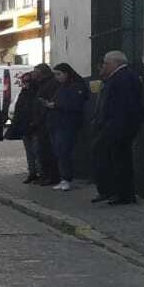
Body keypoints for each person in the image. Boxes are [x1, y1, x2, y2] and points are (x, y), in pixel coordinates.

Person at [93, 50, 144, 205]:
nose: (103, 66)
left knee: (117, 159)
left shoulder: (123, 78)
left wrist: (114, 126)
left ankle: (119, 193)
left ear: (112, 63)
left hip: (119, 127)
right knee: (114, 158)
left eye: (105, 63)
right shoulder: (118, 78)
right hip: (116, 125)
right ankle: (115, 192)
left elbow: (123, 106)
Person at [44, 63, 89, 192]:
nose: (57, 77)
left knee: (64, 151)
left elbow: (75, 105)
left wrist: (56, 105)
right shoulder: (61, 87)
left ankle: (67, 178)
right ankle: (63, 178)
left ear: (66, 73)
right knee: (59, 152)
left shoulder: (76, 86)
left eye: (59, 74)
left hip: (67, 124)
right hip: (56, 123)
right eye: (55, 74)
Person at [8, 72, 42, 183]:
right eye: (23, 81)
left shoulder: (37, 93)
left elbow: (38, 110)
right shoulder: (23, 93)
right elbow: (18, 109)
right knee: (29, 152)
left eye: (27, 81)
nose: (25, 84)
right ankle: (32, 172)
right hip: (25, 126)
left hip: (35, 126)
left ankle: (40, 173)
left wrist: (35, 122)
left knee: (37, 151)